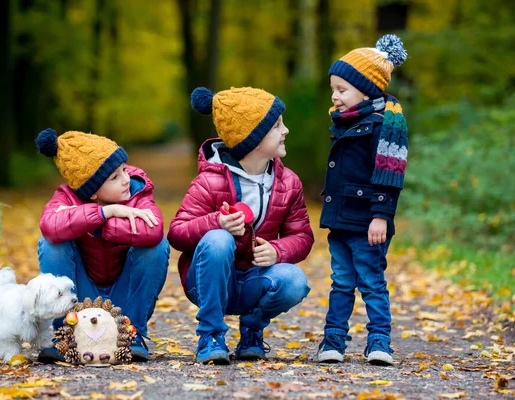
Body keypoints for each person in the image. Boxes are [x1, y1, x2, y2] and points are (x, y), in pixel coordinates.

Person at [168, 86, 314, 364]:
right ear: (254, 139)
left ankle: (252, 329)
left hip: (254, 281)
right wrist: (217, 222)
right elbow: (176, 233)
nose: (286, 131)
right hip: (207, 283)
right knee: (219, 239)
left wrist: (278, 250)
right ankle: (210, 335)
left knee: (294, 281)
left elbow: (302, 236)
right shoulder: (210, 181)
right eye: (277, 126)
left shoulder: (288, 182)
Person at [34, 128, 169, 363]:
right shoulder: (66, 197)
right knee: (51, 244)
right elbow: (50, 226)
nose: (126, 178)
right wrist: (106, 213)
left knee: (157, 246)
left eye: (124, 169)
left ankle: (132, 333)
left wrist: (95, 224)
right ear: (92, 192)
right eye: (114, 177)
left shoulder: (138, 191)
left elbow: (153, 229)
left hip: (124, 293)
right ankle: (65, 333)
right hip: (80, 294)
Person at [316, 34, 408, 366]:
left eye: (342, 90)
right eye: (333, 89)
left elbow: (389, 176)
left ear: (367, 89)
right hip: (342, 222)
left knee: (371, 281)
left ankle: (379, 341)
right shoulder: (346, 123)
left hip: (369, 224)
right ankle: (333, 340)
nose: (335, 96)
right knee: (341, 281)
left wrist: (381, 216)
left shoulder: (382, 126)